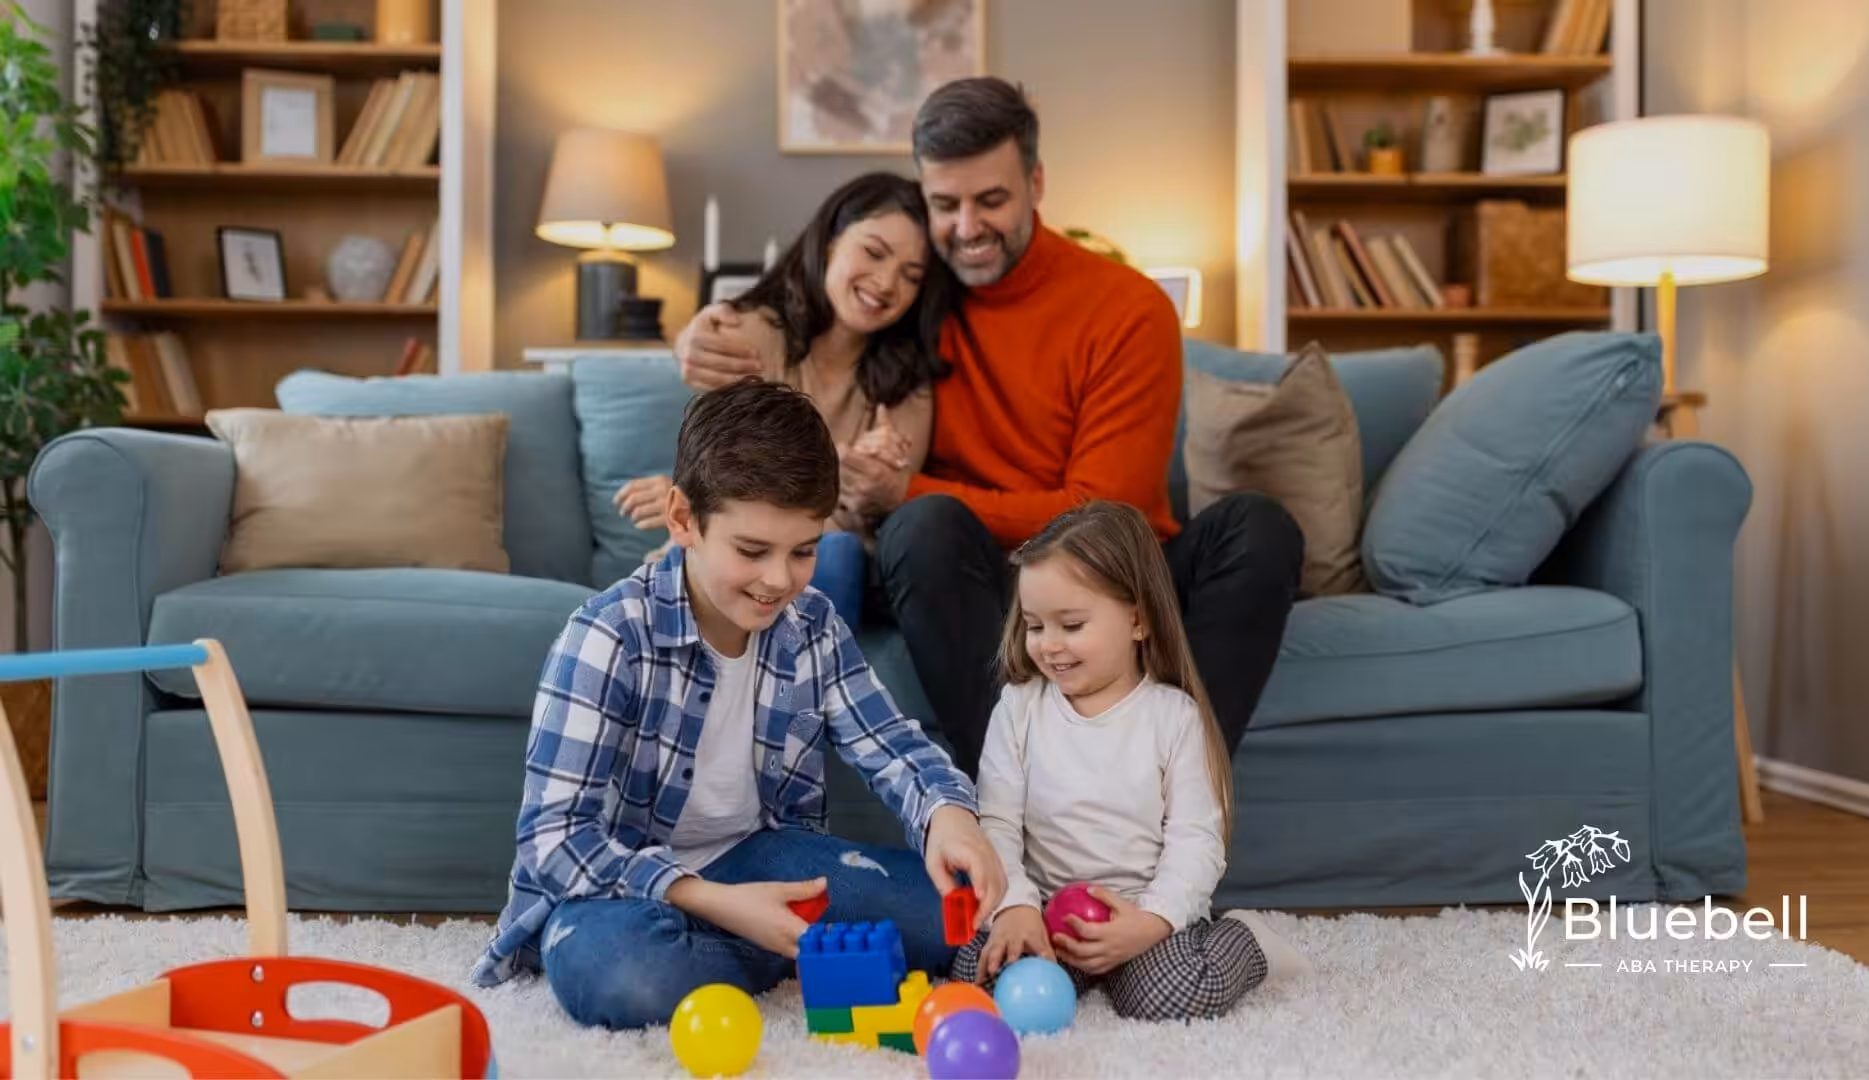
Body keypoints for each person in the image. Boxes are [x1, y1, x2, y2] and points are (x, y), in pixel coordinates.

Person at [676, 77, 1304, 777]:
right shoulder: (914, 297)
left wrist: (903, 491)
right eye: (945, 204)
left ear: (1036, 183)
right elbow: (807, 320)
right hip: (967, 583)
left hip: (1113, 571)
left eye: (992, 200)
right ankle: (1021, 793)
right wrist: (701, 332)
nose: (967, 228)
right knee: (922, 529)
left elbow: (1107, 512)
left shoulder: (1127, 307)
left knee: (1258, 526)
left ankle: (1181, 788)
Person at [471, 378, 1007, 1030]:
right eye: (752, 551)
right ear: (682, 520)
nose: (779, 579)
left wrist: (948, 815)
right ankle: (768, 947)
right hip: (624, 891)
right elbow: (553, 841)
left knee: (954, 916)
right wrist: (716, 902)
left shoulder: (810, 624)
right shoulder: (608, 637)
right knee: (627, 979)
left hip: (762, 859)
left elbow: (891, 745)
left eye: (803, 551)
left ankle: (762, 947)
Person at [951, 500, 1309, 1020]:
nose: (1049, 646)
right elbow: (998, 824)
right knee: (976, 977)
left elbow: (1196, 839)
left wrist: (1153, 921)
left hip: (1140, 913)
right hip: (1050, 913)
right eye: (1034, 626)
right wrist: (1018, 909)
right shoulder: (1019, 708)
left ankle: (1246, 939)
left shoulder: (1173, 717)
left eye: (1070, 625)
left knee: (1174, 994)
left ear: (1138, 620)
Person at [615, 172, 960, 629]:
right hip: (730, 553)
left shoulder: (908, 381)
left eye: (910, 276)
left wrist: (876, 486)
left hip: (830, 562)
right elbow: (721, 470)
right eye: (874, 253)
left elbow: (876, 512)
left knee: (834, 552)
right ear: (830, 243)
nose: (885, 282)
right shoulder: (753, 336)